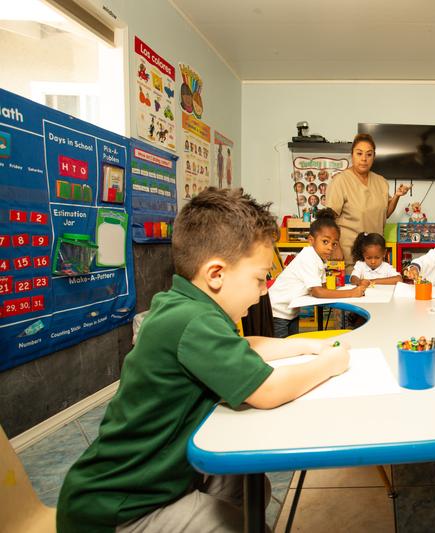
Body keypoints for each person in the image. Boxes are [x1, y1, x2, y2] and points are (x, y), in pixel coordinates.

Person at [56, 188, 350, 533]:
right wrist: (331, 362)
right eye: (258, 278)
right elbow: (268, 390)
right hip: (122, 508)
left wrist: (305, 348)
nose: (263, 290)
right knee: (246, 524)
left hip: (154, 481)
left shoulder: (185, 304)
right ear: (216, 274)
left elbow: (243, 345)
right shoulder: (193, 320)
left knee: (251, 487)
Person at [269, 208, 367, 337]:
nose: (330, 247)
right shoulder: (308, 256)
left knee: (292, 343)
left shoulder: (319, 259)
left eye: (334, 244)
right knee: (282, 350)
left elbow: (323, 288)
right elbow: (317, 291)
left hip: (290, 312)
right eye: (325, 241)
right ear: (311, 240)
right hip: (277, 313)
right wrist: (352, 293)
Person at [326, 133, 411, 272]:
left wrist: (397, 196)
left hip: (374, 257)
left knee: (375, 291)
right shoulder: (340, 181)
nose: (364, 159)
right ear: (352, 154)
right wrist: (335, 247)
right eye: (359, 153)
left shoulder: (381, 182)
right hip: (348, 255)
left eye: (369, 154)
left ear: (374, 157)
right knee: (350, 291)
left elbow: (385, 214)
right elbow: (327, 220)